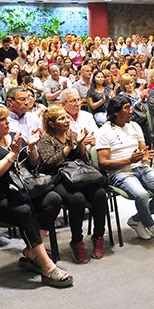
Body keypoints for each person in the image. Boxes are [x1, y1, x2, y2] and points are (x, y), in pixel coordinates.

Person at [0, 103, 72, 287]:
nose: (8, 123)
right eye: (3, 121)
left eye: (7, 119)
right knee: (24, 211)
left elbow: (32, 165)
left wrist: (32, 147)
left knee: (53, 199)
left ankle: (31, 252)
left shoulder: (9, 138)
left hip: (16, 192)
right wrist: (12, 155)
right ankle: (47, 267)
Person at [37, 105, 107, 263]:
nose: (67, 120)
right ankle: (77, 241)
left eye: (66, 117)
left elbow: (86, 161)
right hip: (60, 178)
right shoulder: (45, 140)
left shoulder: (73, 134)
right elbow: (49, 165)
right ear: (52, 123)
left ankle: (98, 236)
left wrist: (81, 145)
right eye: (62, 118)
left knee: (100, 195)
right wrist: (68, 148)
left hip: (79, 175)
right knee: (77, 200)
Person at [96, 95, 154, 240]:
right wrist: (128, 160)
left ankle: (137, 220)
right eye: (126, 108)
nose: (131, 111)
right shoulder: (104, 131)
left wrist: (144, 156)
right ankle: (149, 223)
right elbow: (103, 163)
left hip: (140, 167)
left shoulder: (134, 126)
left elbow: (142, 150)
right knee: (142, 195)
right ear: (115, 112)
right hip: (119, 172)